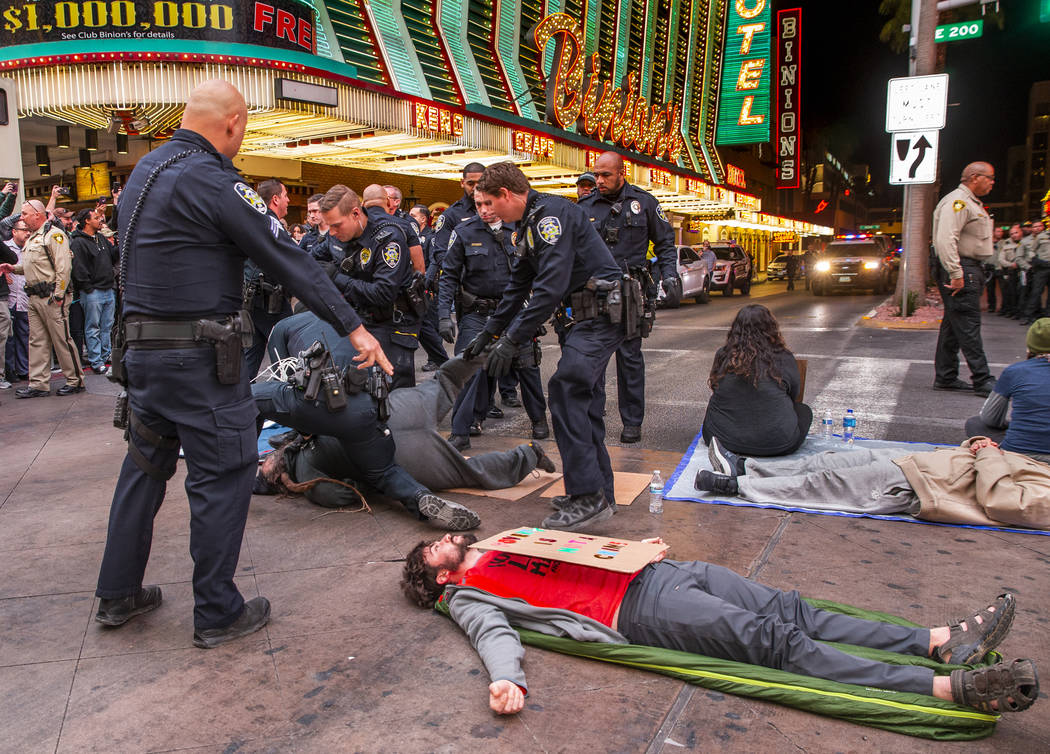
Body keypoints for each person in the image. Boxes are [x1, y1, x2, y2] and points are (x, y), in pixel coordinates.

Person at [90, 79, 391, 649]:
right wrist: (354, 326)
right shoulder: (214, 180)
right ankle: (218, 611)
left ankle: (117, 592)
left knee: (144, 468)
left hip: (143, 357)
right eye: (246, 126)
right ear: (232, 124)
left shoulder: (143, 175)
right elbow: (290, 259)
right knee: (222, 476)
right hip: (200, 360)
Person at [401, 533, 1038, 716]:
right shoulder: (468, 595)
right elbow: (496, 637)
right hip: (644, 612)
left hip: (664, 573)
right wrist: (506, 679)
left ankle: (938, 642)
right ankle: (945, 688)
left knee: (794, 609)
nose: (448, 541)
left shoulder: (502, 541)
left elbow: (578, 547)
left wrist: (631, 548)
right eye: (436, 551)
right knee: (777, 643)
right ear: (438, 579)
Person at [462, 162, 624, 530]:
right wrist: (489, 334)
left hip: (601, 316)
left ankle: (588, 498)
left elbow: (550, 287)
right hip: (582, 319)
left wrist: (512, 340)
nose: (484, 211)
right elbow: (518, 287)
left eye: (488, 203)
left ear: (506, 195)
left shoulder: (550, 217)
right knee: (583, 404)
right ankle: (600, 493)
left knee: (565, 390)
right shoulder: (526, 226)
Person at [252, 311, 481, 530]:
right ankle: (420, 497)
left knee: (245, 399)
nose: (265, 464)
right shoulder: (344, 317)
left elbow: (284, 376)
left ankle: (233, 469)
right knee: (385, 471)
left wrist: (302, 432)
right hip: (367, 404)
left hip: (324, 401)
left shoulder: (279, 329)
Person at [257, 347, 557, 503]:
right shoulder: (303, 456)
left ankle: (529, 454)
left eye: (261, 463)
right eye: (264, 468)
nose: (263, 462)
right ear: (277, 476)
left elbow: (339, 495)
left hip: (402, 455)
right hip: (397, 413)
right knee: (445, 381)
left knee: (471, 472)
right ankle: (491, 345)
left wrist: (364, 482)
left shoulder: (305, 462)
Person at [699, 432, 1050, 529]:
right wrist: (978, 448)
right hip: (925, 463)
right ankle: (747, 467)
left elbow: (1003, 500)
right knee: (827, 461)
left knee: (827, 482)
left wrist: (988, 453)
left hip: (925, 485)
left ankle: (738, 486)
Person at [437, 189, 549, 450]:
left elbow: (541, 271)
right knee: (466, 367)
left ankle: (539, 419)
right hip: (478, 313)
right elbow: (449, 277)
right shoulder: (464, 232)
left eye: (489, 203)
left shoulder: (520, 228)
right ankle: (460, 431)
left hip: (515, 312)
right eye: (478, 204)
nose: (484, 209)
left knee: (527, 365)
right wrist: (443, 315)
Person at [578, 152, 678, 444]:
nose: (599, 180)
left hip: (630, 292)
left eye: (606, 175)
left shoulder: (644, 203)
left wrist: (669, 274)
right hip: (593, 291)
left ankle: (632, 423)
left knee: (629, 360)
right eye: (596, 175)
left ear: (623, 173)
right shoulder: (585, 206)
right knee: (592, 359)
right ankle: (591, 419)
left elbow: (666, 244)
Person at [320, 184, 421, 390]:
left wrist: (336, 278)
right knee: (359, 387)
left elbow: (383, 293)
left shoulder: (388, 237)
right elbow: (312, 260)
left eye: (337, 225)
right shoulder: (336, 235)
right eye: (329, 226)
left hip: (393, 324)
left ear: (356, 212)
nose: (332, 232)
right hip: (360, 320)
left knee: (393, 393)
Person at [701, 304, 811, 457]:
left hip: (723, 441)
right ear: (771, 328)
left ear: (735, 330)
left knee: (715, 408)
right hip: (776, 444)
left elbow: (715, 387)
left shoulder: (723, 354)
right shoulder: (783, 357)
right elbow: (794, 394)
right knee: (804, 411)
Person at [0, 200, 84, 398]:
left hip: (50, 297)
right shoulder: (34, 238)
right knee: (37, 341)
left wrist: (59, 295)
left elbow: (63, 267)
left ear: (37, 214)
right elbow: (35, 267)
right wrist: (15, 269)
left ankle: (75, 380)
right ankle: (38, 383)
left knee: (62, 339)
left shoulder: (53, 235)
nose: (22, 217)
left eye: (25, 214)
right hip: (35, 296)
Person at [931, 162, 996, 397]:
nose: (992, 182)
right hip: (961, 267)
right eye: (989, 177)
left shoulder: (969, 202)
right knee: (968, 325)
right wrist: (956, 273)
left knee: (953, 325)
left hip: (966, 267)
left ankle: (946, 376)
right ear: (974, 177)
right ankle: (983, 379)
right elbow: (946, 239)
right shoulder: (958, 202)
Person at [964, 318, 1050, 463]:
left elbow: (990, 418)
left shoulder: (1015, 371)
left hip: (1018, 454)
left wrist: (1018, 424)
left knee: (975, 423)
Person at [242, 178, 295, 377]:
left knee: (252, 354)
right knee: (286, 356)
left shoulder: (251, 222)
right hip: (270, 300)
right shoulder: (270, 224)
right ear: (275, 199)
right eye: (285, 195)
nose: (288, 200)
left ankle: (243, 397)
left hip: (252, 301)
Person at [70, 208, 119, 374]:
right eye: (96, 218)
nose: (100, 220)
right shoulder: (77, 242)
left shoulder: (100, 238)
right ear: (87, 221)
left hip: (108, 289)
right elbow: (78, 268)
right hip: (93, 292)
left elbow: (113, 257)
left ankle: (106, 356)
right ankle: (96, 360)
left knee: (107, 326)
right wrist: (88, 288)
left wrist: (119, 245)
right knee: (93, 327)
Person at [427, 163, 486, 286]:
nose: (475, 188)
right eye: (471, 184)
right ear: (462, 183)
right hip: (464, 284)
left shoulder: (496, 209)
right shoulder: (451, 215)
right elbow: (440, 254)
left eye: (479, 183)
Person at [408, 202, 448, 372]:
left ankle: (436, 359)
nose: (410, 219)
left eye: (413, 216)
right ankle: (438, 358)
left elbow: (433, 261)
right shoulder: (412, 236)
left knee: (430, 324)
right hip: (413, 286)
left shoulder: (430, 237)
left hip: (426, 287)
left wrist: (424, 281)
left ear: (423, 219)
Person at [3, 219, 29, 384]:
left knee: (24, 335)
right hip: (9, 297)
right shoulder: (5, 246)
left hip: (25, 298)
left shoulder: (31, 247)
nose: (27, 232)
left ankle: (23, 369)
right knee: (7, 337)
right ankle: (9, 369)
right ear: (14, 231)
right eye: (23, 229)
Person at [1019, 221, 1049, 325]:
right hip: (1041, 267)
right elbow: (1032, 251)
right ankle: (1028, 316)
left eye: (1039, 226)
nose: (1037, 228)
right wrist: (1036, 261)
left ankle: (1047, 317)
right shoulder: (1040, 237)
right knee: (1036, 292)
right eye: (1035, 226)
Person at [997, 224, 1023, 318]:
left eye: (1016, 232)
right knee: (1011, 292)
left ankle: (1023, 312)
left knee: (1024, 292)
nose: (1014, 235)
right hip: (1012, 271)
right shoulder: (1006, 245)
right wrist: (1011, 265)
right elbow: (1001, 259)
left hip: (1025, 271)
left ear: (1021, 232)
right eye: (1012, 233)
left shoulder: (1027, 242)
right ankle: (1013, 311)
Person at [985, 226, 1003, 313]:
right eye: (998, 231)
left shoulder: (1004, 243)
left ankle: (1003, 307)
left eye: (1001, 232)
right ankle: (991, 306)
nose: (1000, 233)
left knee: (1003, 289)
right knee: (990, 289)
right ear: (994, 232)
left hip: (1000, 268)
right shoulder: (987, 243)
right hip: (989, 268)